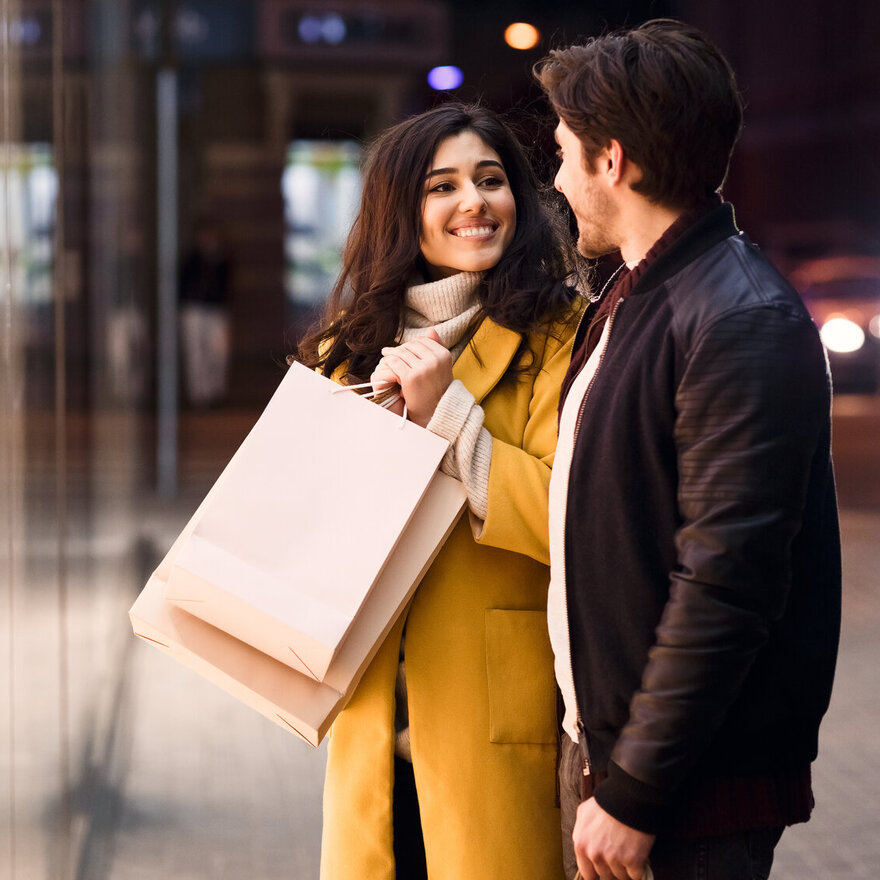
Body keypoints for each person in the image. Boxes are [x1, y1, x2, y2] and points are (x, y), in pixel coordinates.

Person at [534, 19, 841, 880]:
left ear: (614, 161)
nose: (555, 179)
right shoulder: (636, 292)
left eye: (565, 153)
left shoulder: (739, 317)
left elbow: (726, 582)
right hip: (615, 754)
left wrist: (636, 789)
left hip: (681, 791)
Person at [295, 102, 584, 880]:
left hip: (487, 720)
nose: (474, 203)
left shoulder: (560, 336)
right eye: (442, 186)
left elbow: (573, 518)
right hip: (368, 725)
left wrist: (448, 413)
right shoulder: (347, 347)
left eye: (491, 181)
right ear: (402, 211)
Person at [179, 216, 232, 407]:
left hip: (216, 309)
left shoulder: (222, 257)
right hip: (194, 309)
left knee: (218, 352)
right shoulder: (191, 258)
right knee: (196, 351)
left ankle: (215, 390)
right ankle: (198, 394)